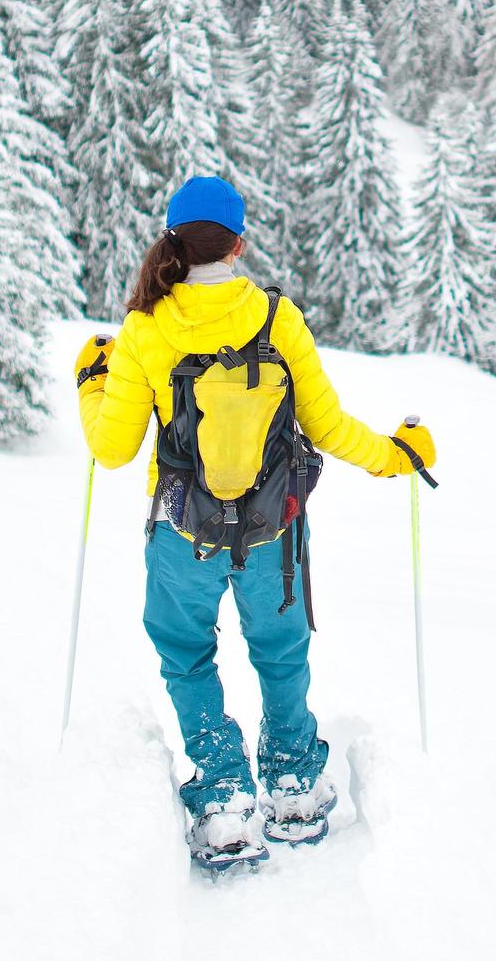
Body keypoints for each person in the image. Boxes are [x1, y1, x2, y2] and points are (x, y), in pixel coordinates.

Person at [72, 176, 437, 867]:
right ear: (238, 243)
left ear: (174, 243)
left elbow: (111, 448)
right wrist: (396, 457)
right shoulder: (277, 319)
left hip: (183, 534)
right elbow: (326, 427)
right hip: (274, 531)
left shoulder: (146, 330)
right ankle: (294, 784)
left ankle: (222, 796)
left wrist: (95, 382)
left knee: (186, 654)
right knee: (280, 649)